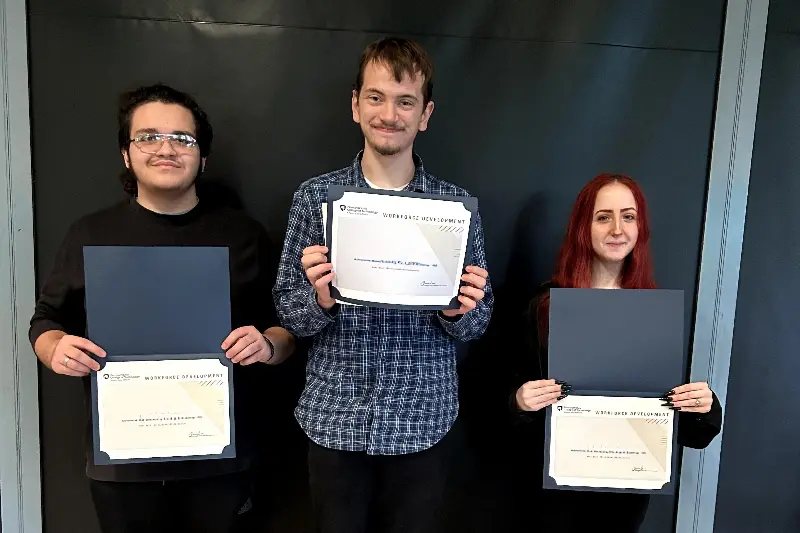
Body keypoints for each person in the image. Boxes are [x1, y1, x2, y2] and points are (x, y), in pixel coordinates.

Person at [28, 83, 295, 533]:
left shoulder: (243, 235)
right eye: (148, 137)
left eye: (183, 139)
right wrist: (54, 348)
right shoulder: (89, 233)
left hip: (218, 457)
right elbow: (45, 321)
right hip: (123, 459)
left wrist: (268, 346)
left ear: (203, 157)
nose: (166, 148)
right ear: (126, 155)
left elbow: (286, 331)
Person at [273, 37, 493, 533]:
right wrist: (320, 300)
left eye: (405, 101)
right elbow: (289, 311)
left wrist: (462, 311)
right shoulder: (315, 199)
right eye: (376, 97)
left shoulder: (454, 208)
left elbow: (478, 322)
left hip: (422, 420)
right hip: (335, 418)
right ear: (355, 105)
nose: (389, 113)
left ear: (425, 114)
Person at [510, 173, 723, 532]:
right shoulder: (545, 306)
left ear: (640, 228)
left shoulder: (655, 314)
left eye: (628, 216)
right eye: (603, 217)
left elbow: (685, 428)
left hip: (625, 494)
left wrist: (703, 408)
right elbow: (503, 401)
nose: (617, 229)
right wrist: (519, 401)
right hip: (553, 493)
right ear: (583, 226)